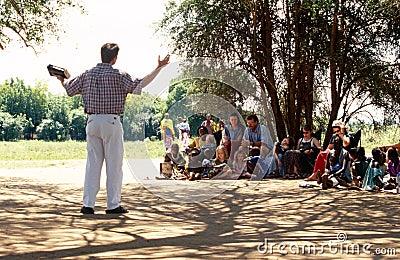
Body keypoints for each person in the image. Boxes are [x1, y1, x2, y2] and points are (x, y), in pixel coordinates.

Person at [54, 43, 170, 214]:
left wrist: (63, 78)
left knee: (92, 165)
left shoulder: (88, 74)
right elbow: (140, 84)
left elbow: (70, 88)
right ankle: (113, 204)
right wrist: (158, 68)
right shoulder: (118, 75)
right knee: (114, 166)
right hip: (111, 121)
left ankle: (88, 204)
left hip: (92, 121)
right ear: (114, 58)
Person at [241, 114, 274, 178]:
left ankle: (262, 167)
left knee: (263, 148)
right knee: (241, 148)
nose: (249, 125)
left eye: (251, 123)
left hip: (266, 148)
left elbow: (264, 143)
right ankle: (243, 167)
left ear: (256, 122)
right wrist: (244, 144)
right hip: (253, 148)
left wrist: (251, 143)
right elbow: (245, 141)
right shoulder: (247, 130)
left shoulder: (262, 128)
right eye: (248, 123)